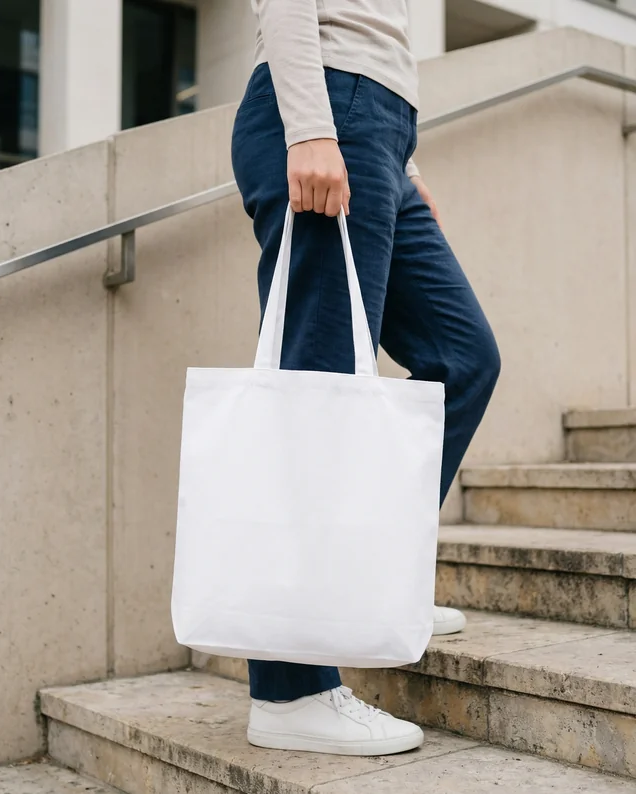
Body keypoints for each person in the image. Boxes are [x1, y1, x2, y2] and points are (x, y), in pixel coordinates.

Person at [231, 0, 501, 757]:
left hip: (379, 129)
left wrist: (404, 165)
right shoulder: (317, 114)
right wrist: (310, 127)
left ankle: (373, 579)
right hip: (329, 109)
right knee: (318, 396)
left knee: (462, 357)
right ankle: (289, 691)